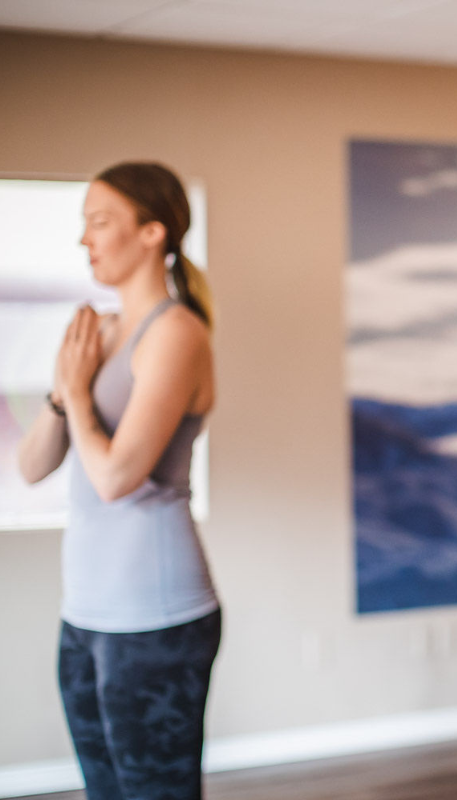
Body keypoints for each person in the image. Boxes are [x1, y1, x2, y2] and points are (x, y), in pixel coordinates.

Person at [17, 162, 220, 800]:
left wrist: (76, 393)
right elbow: (30, 467)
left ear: (153, 232)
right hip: (83, 612)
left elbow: (115, 478)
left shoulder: (178, 334)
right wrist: (61, 395)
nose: (86, 240)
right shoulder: (100, 333)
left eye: (101, 222)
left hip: (154, 615)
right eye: (84, 225)